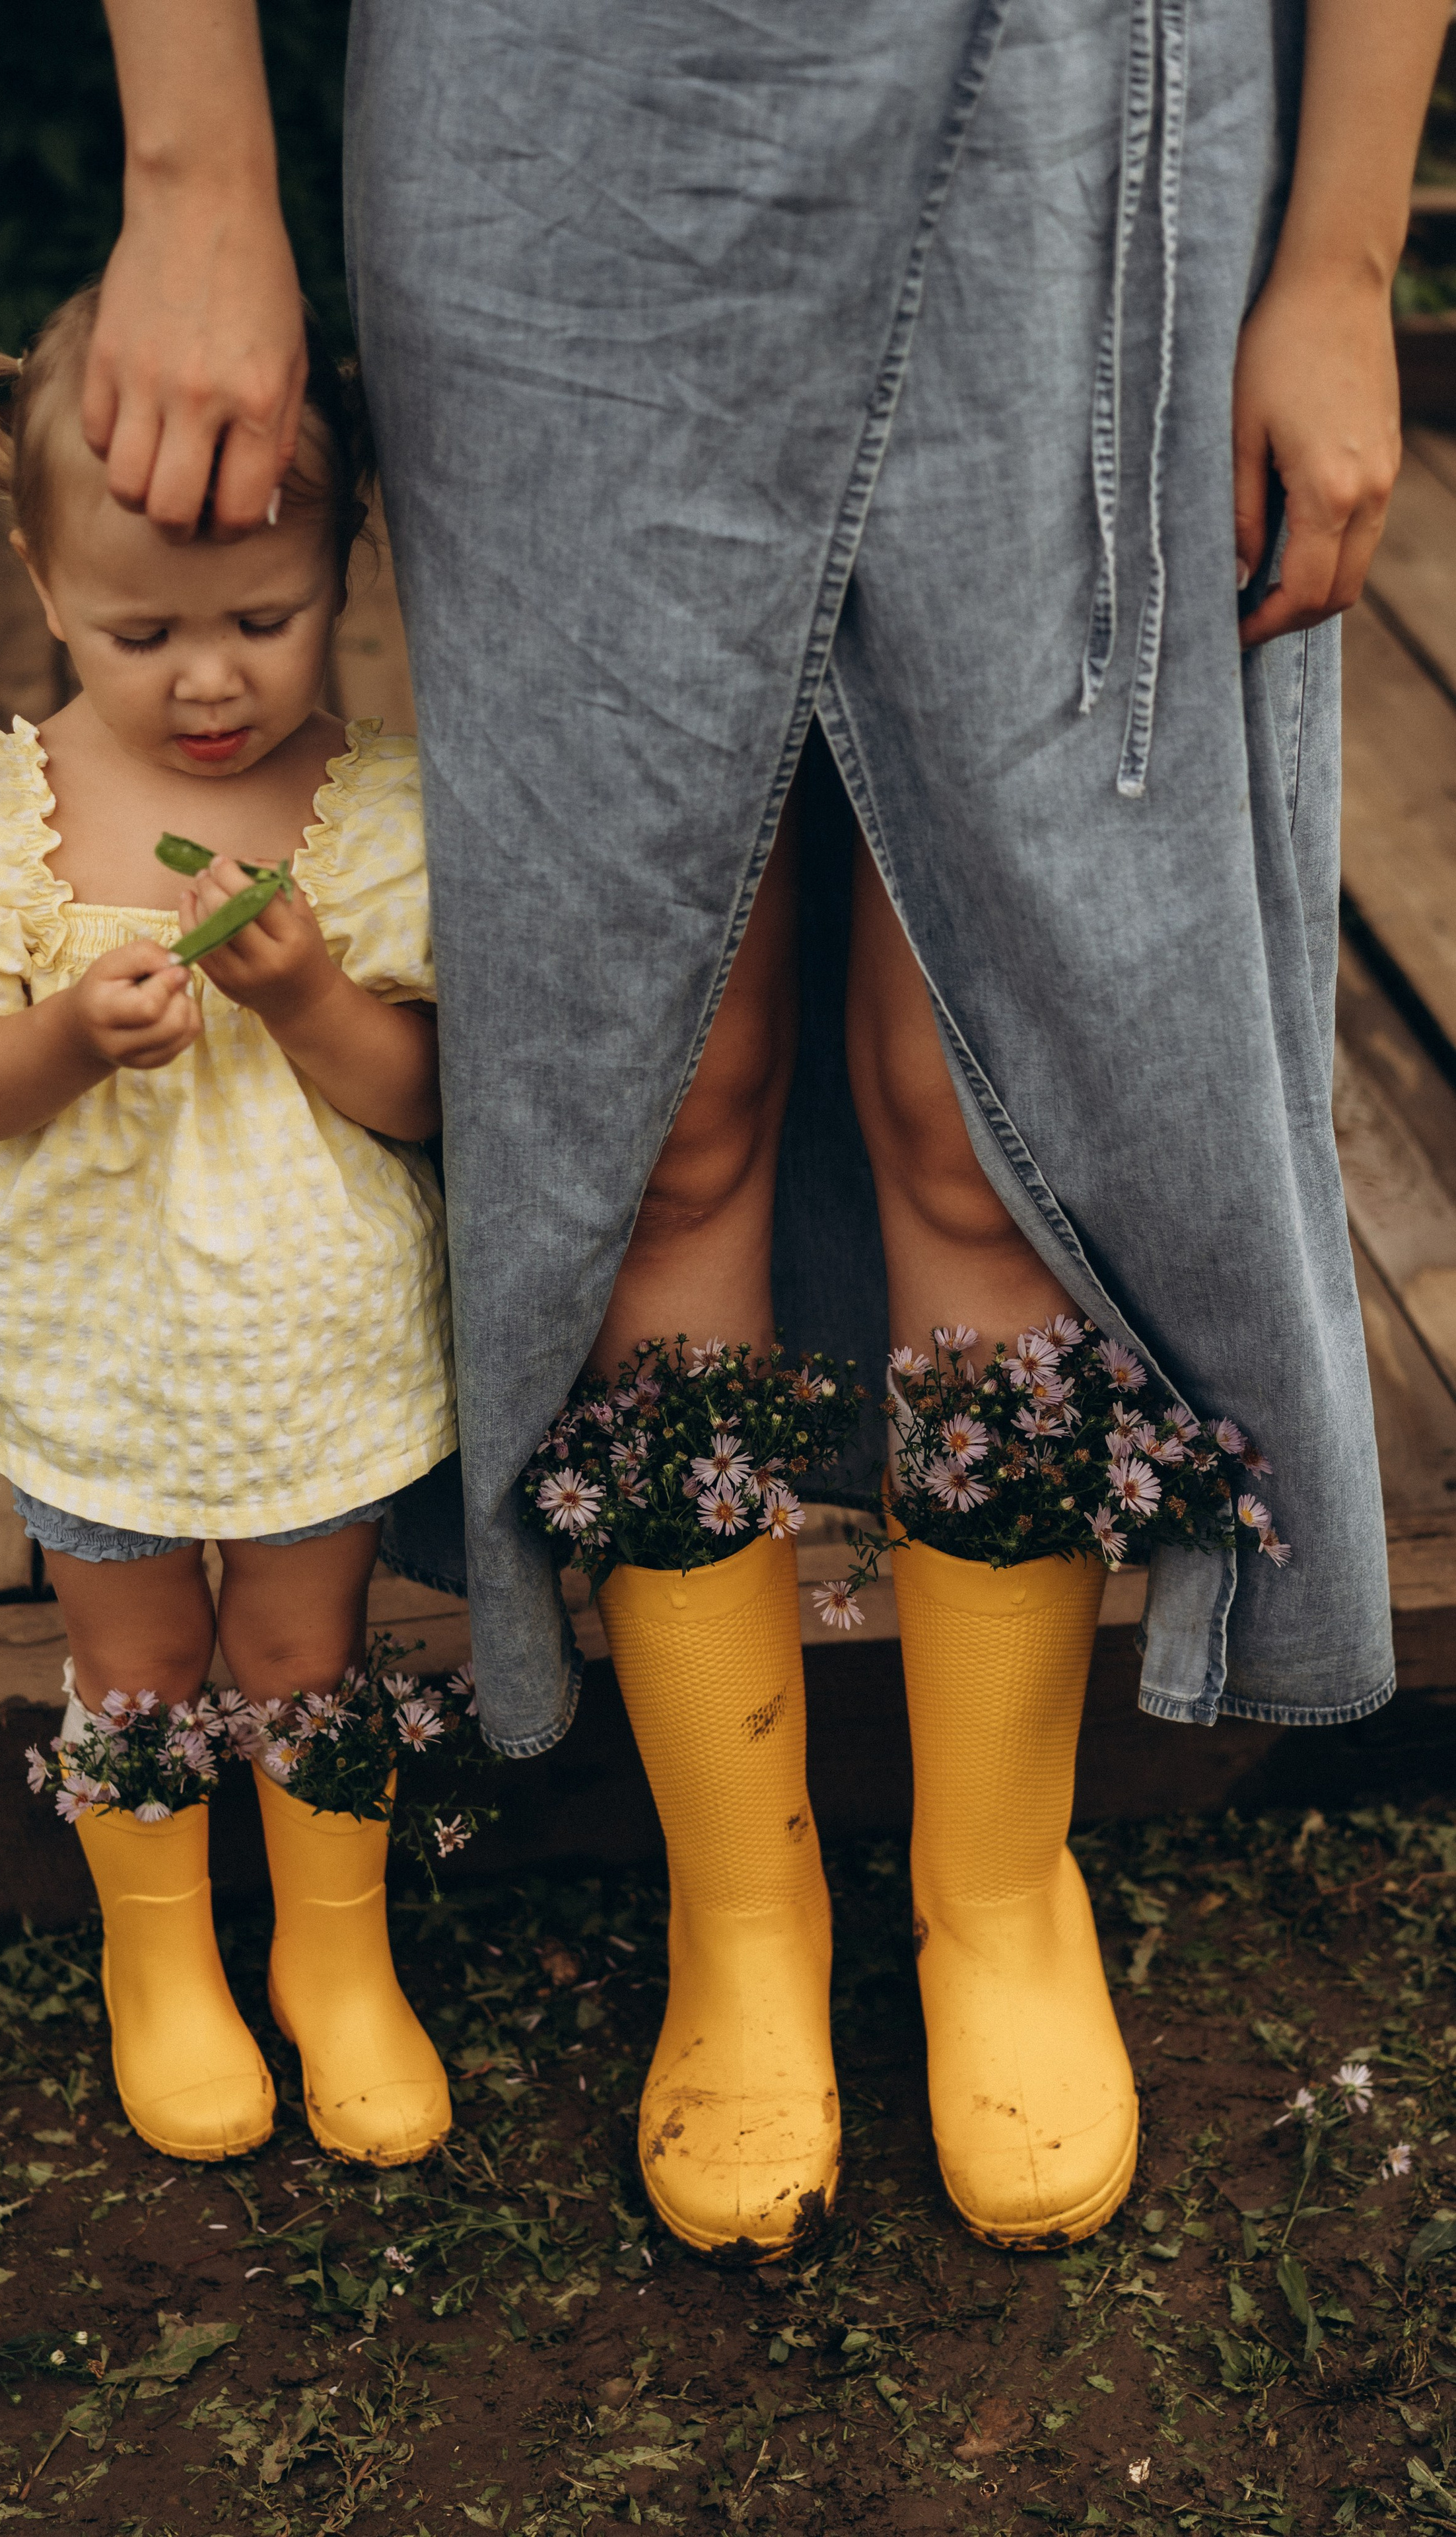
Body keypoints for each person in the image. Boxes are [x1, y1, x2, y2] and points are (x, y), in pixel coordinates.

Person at [82, 0, 1446, 2254]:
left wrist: (1339, 253)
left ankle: (995, 1891)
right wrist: (194, 168)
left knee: (986, 1077)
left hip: (1076, 135)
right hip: (560, 132)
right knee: (659, 1077)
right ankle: (747, 1910)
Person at [0, 287, 457, 2169]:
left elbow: (425, 1098)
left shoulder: (370, 816)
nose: (209, 680)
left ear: (338, 569)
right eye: (143, 632)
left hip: (308, 1341)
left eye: (263, 622)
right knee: (135, 1660)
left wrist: (308, 1000)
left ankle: (336, 1963)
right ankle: (163, 1957)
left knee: (302, 1647)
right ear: (40, 582)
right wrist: (60, 1031)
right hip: (93, 1343)